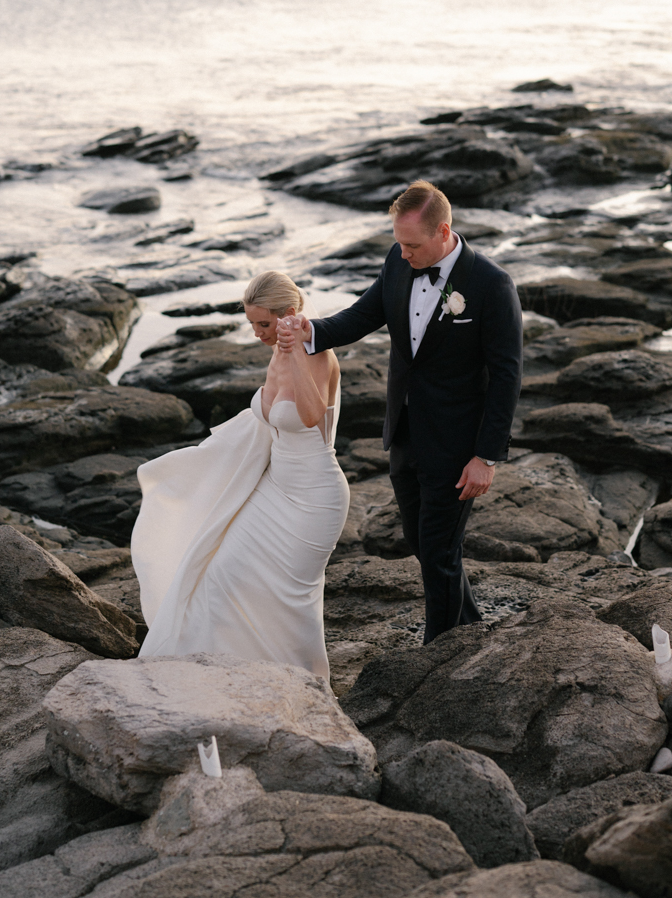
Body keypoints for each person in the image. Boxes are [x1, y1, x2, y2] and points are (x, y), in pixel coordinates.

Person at [279, 179, 522, 644]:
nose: (403, 253)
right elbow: (362, 315)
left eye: (412, 244)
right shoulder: (398, 259)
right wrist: (311, 329)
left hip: (457, 443)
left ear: (443, 231)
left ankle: (438, 651)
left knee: (437, 548)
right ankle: (469, 626)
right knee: (423, 543)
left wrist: (486, 457)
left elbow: (507, 377)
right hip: (405, 431)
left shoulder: (492, 286)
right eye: (399, 243)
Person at [131, 270, 349, 682]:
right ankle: (225, 678)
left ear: (289, 315)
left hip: (314, 497)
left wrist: (298, 350)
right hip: (274, 487)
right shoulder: (276, 354)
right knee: (219, 572)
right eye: (251, 324)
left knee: (289, 599)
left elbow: (310, 415)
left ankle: (303, 683)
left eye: (263, 324)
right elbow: (264, 422)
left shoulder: (319, 355)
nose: (255, 333)